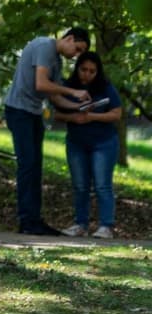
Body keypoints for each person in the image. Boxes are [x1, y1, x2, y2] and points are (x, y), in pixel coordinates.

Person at [2, 28, 91, 235]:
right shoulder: (44, 46)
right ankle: (26, 221)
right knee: (27, 165)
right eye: (77, 49)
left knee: (36, 167)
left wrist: (78, 106)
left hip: (33, 113)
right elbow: (41, 83)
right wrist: (73, 91)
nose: (76, 55)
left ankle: (34, 220)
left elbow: (54, 97)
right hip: (18, 111)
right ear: (69, 38)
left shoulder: (57, 62)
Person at [50, 51, 122, 239]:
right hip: (76, 143)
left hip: (104, 143)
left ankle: (106, 226)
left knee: (102, 185)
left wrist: (91, 116)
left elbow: (116, 114)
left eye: (92, 71)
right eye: (84, 70)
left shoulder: (106, 87)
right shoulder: (68, 87)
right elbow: (55, 114)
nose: (87, 74)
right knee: (80, 185)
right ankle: (80, 224)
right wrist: (73, 117)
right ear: (77, 68)